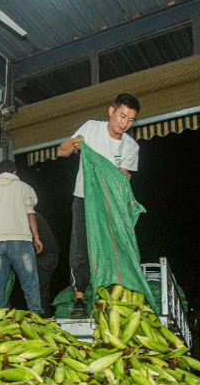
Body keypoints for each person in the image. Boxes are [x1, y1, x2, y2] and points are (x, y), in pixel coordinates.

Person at [57, 93, 141, 318]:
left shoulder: (130, 147)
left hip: (110, 203)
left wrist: (122, 176)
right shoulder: (92, 128)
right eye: (122, 116)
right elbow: (61, 151)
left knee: (111, 247)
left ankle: (109, 293)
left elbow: (124, 178)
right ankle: (79, 298)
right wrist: (73, 143)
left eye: (131, 120)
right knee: (80, 246)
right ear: (111, 111)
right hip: (83, 197)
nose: (125, 123)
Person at [0, 159, 44, 313]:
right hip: (21, 241)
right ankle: (36, 317)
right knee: (30, 281)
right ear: (15, 172)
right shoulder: (24, 188)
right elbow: (30, 214)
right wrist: (36, 237)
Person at [34, 211, 60, 317]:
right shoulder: (33, 214)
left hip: (45, 255)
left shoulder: (28, 215)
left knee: (39, 291)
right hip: (50, 255)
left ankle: (42, 319)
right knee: (41, 290)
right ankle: (43, 317)